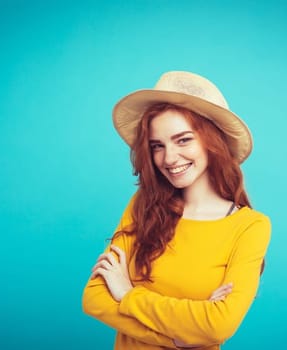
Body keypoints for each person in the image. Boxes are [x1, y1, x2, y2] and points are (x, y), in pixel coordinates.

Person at [82, 71, 271, 349]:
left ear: (212, 142)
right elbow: (95, 299)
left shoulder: (250, 227)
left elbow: (218, 325)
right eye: (157, 146)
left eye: (183, 140)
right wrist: (179, 339)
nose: (169, 158)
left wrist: (127, 294)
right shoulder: (143, 205)